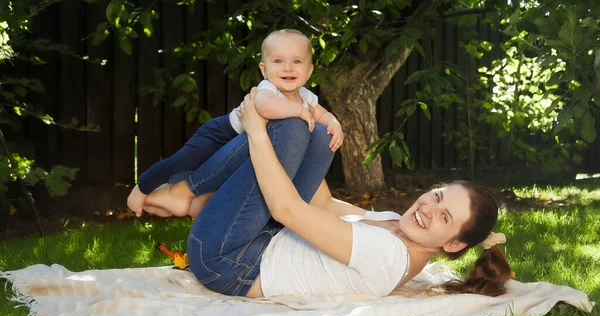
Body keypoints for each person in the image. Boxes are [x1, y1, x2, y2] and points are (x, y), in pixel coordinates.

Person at [141, 88, 513, 298]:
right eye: (438, 195)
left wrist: (257, 130)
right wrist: (322, 122)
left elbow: (287, 208)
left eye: (445, 217)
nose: (429, 208)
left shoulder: (386, 254)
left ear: (452, 245)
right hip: (261, 239)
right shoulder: (393, 225)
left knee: (284, 129)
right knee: (313, 134)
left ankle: (186, 190)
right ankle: (197, 202)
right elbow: (321, 203)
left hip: (229, 263)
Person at [127, 29, 344, 217]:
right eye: (278, 61)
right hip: (219, 136)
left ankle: (166, 200)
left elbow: (321, 114)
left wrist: (333, 122)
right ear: (264, 69)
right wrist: (299, 111)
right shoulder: (268, 89)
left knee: (213, 185)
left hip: (241, 148)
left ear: (309, 70)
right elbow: (266, 107)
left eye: (296, 61)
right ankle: (142, 188)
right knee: (181, 162)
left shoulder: (306, 97)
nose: (287, 68)